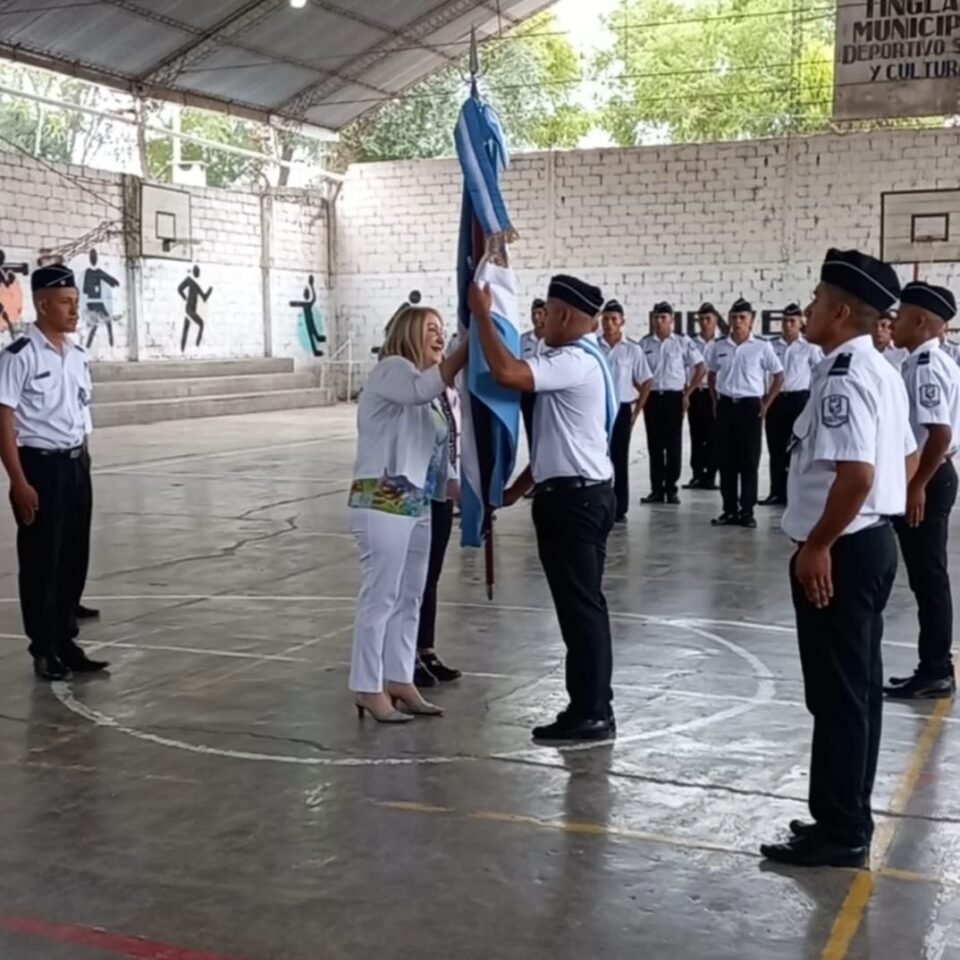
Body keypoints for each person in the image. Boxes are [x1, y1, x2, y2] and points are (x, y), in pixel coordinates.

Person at [760, 248, 916, 869]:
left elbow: (856, 473)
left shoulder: (846, 376)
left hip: (843, 548)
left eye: (819, 300)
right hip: (866, 540)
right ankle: (841, 812)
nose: (808, 308)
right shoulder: (878, 368)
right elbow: (901, 463)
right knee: (853, 693)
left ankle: (844, 830)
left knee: (839, 694)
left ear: (843, 310)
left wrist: (820, 543)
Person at [468, 274, 617, 742]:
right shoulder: (572, 359)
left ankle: (593, 711)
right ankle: (588, 706)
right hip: (571, 491)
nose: (541, 321)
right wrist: (514, 491)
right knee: (580, 609)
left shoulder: (576, 360)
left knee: (582, 610)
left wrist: (480, 315)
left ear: (567, 316)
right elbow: (560, 443)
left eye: (547, 314)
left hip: (575, 501)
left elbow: (508, 374)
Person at [348, 306, 468, 723]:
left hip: (416, 501)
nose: (440, 337)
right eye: (430, 330)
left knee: (410, 596)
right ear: (408, 334)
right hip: (382, 496)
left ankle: (399, 677)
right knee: (380, 596)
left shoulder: (429, 393)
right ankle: (367, 685)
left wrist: (465, 495)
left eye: (443, 330)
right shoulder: (392, 371)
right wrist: (468, 349)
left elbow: (436, 460)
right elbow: (419, 390)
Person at [0, 264, 108, 681]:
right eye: (65, 303)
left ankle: (66, 639)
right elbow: (4, 419)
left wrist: (85, 456)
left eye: (75, 303)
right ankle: (43, 648)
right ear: (43, 306)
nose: (73, 311)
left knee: (73, 556)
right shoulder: (19, 356)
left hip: (76, 464)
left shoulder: (78, 355)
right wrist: (18, 481)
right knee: (42, 559)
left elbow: (79, 410)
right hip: (39, 468)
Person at [884, 281, 960, 700]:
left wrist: (916, 486)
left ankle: (936, 670)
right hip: (928, 475)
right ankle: (932, 665)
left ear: (920, 321)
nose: (893, 323)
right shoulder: (921, 361)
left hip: (929, 477)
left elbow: (939, 432)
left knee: (929, 579)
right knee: (926, 579)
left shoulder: (928, 364)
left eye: (900, 316)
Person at [708, 298, 784, 528]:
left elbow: (779, 375)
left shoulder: (762, 346)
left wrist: (766, 403)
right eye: (734, 318)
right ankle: (729, 510)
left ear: (751, 321)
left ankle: (747, 512)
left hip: (750, 407)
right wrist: (714, 400)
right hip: (726, 405)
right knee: (726, 460)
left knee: (749, 460)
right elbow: (711, 374)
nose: (737, 322)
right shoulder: (720, 346)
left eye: (742, 318)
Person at [414, 379, 464, 688]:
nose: (438, 338)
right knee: (413, 579)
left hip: (442, 489)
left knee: (430, 575)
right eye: (429, 329)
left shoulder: (448, 387)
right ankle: (404, 657)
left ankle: (426, 649)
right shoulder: (411, 386)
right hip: (415, 492)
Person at [639, 302, 705, 505]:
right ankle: (656, 489)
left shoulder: (682, 342)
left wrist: (688, 393)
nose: (658, 322)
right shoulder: (645, 344)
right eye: (656, 318)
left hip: (674, 397)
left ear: (672, 321)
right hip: (652, 398)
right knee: (655, 445)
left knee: (673, 445)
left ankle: (671, 488)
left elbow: (701, 367)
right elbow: (639, 371)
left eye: (663, 318)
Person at [761, 304, 823, 506]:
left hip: (798, 400)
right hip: (776, 400)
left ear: (800, 324)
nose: (788, 325)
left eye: (792, 322)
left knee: (797, 450)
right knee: (776, 448)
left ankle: (795, 495)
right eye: (785, 321)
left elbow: (820, 374)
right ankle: (776, 492)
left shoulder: (809, 348)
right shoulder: (771, 346)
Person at [599, 299, 652, 522]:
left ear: (622, 322)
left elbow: (646, 381)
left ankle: (620, 507)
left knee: (619, 459)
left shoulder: (632, 349)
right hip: (597, 409)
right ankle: (601, 504)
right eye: (606, 319)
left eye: (614, 319)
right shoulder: (593, 345)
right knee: (598, 458)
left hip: (621, 409)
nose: (609, 324)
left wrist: (635, 411)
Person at [685, 302, 720, 490]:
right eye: (701, 319)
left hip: (714, 393)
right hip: (696, 392)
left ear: (715, 320)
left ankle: (711, 474)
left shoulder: (722, 342)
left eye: (708, 319)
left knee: (714, 434)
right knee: (696, 434)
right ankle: (697, 473)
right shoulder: (691, 342)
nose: (705, 323)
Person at [519, 298, 547, 452]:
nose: (537, 317)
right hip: (528, 393)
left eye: (540, 313)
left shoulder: (552, 340)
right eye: (534, 313)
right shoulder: (523, 340)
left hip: (547, 393)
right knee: (532, 432)